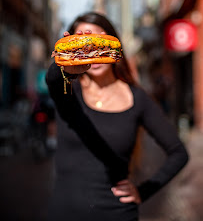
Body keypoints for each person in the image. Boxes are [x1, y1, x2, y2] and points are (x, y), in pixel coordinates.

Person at [46, 12, 189, 221]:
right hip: (65, 213)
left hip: (118, 214)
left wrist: (144, 191)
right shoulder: (69, 92)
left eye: (98, 40)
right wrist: (66, 69)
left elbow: (179, 152)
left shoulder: (138, 99)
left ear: (113, 42)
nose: (92, 50)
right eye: (84, 42)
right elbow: (53, 80)